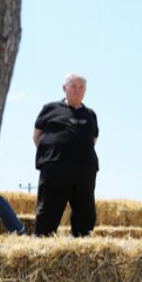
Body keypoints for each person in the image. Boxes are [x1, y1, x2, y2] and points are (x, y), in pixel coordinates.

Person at [33, 73, 99, 237]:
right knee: (48, 210)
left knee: (86, 213)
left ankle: (81, 245)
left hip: (85, 169)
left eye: (81, 87)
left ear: (85, 91)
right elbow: (37, 136)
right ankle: (41, 246)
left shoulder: (90, 114)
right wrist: (53, 153)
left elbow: (93, 140)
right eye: (73, 86)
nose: (77, 90)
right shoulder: (50, 109)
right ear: (64, 88)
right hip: (55, 167)